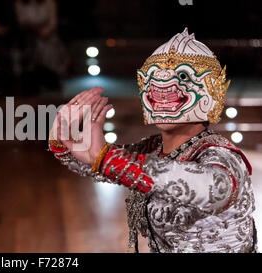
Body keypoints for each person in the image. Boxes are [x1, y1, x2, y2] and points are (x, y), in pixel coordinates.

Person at [49, 28, 257, 253]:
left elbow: (214, 188)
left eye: (182, 78)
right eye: (154, 80)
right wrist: (64, 138)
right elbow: (99, 162)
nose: (162, 92)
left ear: (210, 91)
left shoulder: (222, 156)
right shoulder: (155, 149)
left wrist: (107, 158)